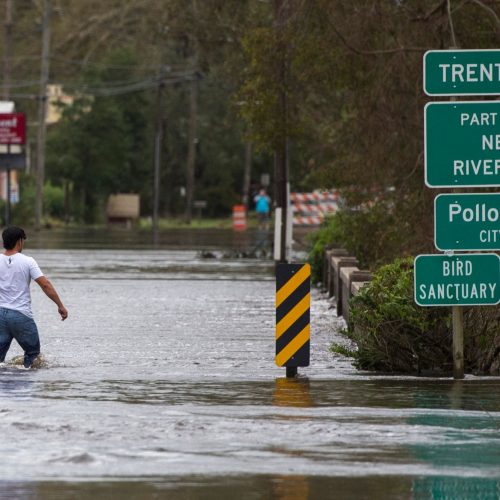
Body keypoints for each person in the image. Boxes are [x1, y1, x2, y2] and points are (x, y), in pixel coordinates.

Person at [0, 226, 68, 368]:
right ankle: (26, 385)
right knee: (33, 356)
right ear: (19, 241)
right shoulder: (28, 261)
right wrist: (60, 305)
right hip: (20, 315)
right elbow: (45, 285)